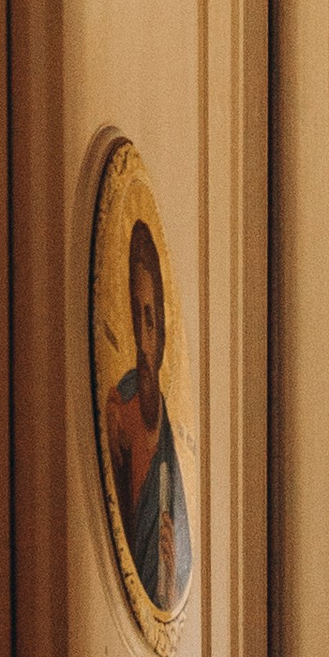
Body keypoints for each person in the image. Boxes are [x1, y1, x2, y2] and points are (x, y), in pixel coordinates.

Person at [102, 213, 191, 615]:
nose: (143, 333)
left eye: (150, 316)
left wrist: (169, 576)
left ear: (163, 329)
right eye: (136, 314)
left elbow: (172, 591)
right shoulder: (120, 407)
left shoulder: (170, 446)